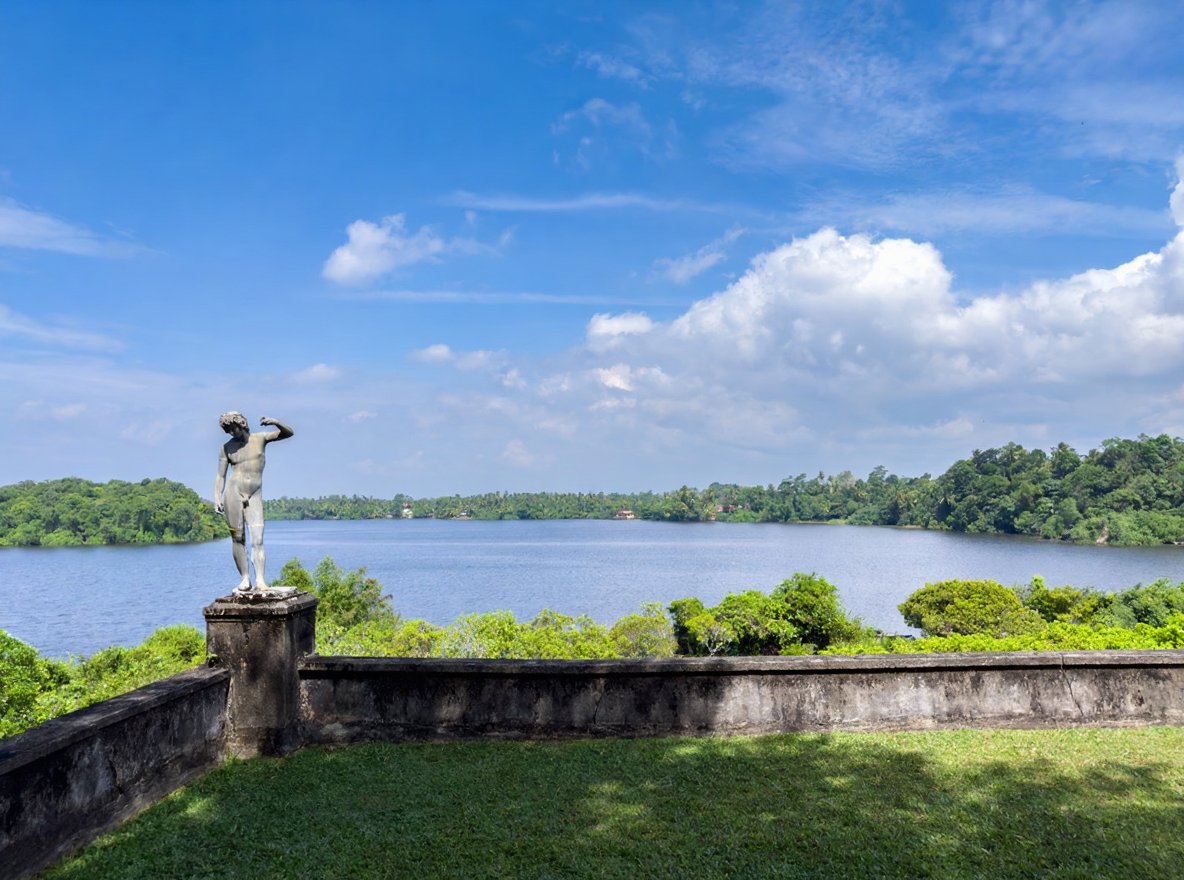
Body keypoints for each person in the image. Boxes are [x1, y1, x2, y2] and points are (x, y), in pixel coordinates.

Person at [214, 412, 294, 590]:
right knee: (237, 538)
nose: (231, 433)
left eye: (233, 428)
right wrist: (217, 497)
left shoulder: (260, 438)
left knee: (257, 539)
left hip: (254, 493)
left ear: (241, 424)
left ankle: (260, 580)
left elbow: (289, 433)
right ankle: (245, 578)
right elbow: (220, 475)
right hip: (232, 493)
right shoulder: (226, 448)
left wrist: (275, 421)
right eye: (227, 430)